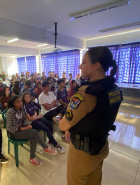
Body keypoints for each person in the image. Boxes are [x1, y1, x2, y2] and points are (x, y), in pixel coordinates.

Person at [59, 46, 123, 185]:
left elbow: (63, 125)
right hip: (101, 145)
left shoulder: (87, 94)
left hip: (83, 153)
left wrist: (68, 124)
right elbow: (97, 116)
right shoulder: (114, 89)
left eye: (84, 62)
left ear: (96, 66)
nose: (80, 65)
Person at [6, 96, 58, 166]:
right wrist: (24, 128)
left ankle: (32, 158)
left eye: (20, 101)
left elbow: (24, 120)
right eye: (18, 102)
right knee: (34, 132)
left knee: (33, 137)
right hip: (14, 133)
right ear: (14, 104)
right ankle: (45, 148)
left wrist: (27, 125)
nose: (20, 103)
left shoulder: (21, 109)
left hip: (21, 129)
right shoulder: (10, 112)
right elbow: (9, 128)